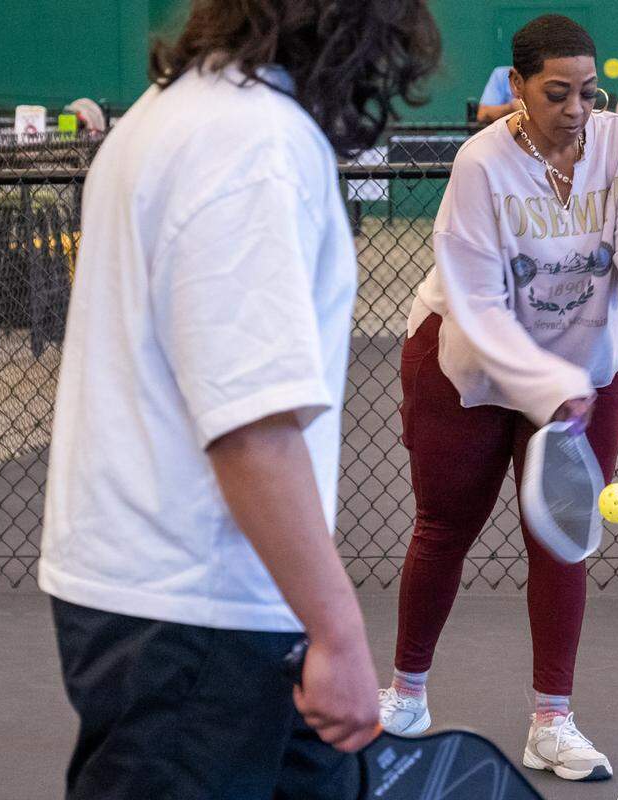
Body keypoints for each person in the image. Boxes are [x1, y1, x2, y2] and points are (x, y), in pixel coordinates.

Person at [38, 2, 440, 798]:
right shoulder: (252, 141)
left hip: (184, 605)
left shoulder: (174, 111)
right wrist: (340, 631)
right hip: (199, 617)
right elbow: (250, 430)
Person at [378, 13, 618, 783]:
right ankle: (405, 696)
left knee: (564, 540)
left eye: (589, 91)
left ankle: (553, 720)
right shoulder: (480, 165)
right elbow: (476, 306)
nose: (576, 108)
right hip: (465, 368)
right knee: (446, 527)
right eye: (556, 92)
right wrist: (551, 389)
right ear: (517, 87)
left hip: (588, 364)